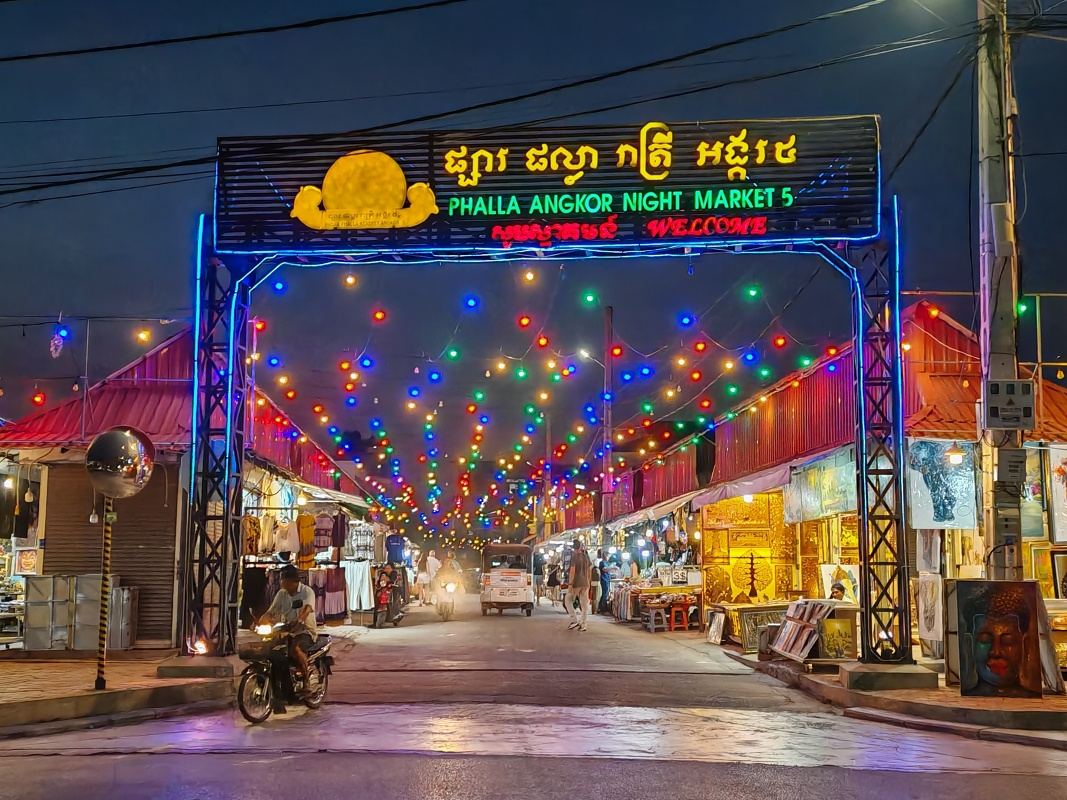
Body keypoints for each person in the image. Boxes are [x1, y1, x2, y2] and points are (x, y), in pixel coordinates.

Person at [257, 565, 316, 713]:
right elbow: (271, 611)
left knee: (295, 649)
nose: (281, 582)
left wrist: (301, 619)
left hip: (304, 631)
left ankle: (306, 680)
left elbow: (307, 608)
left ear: (291, 580)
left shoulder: (307, 592)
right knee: (268, 651)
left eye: (283, 579)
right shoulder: (282, 594)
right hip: (285, 631)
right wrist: (260, 621)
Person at [565, 539, 592, 631]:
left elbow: (572, 571)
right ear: (580, 547)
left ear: (574, 548)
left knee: (568, 600)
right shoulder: (586, 556)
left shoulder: (574, 557)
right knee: (584, 604)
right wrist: (588, 581)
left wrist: (570, 584)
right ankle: (583, 624)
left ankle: (574, 620)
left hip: (576, 582)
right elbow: (589, 570)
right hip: (585, 582)